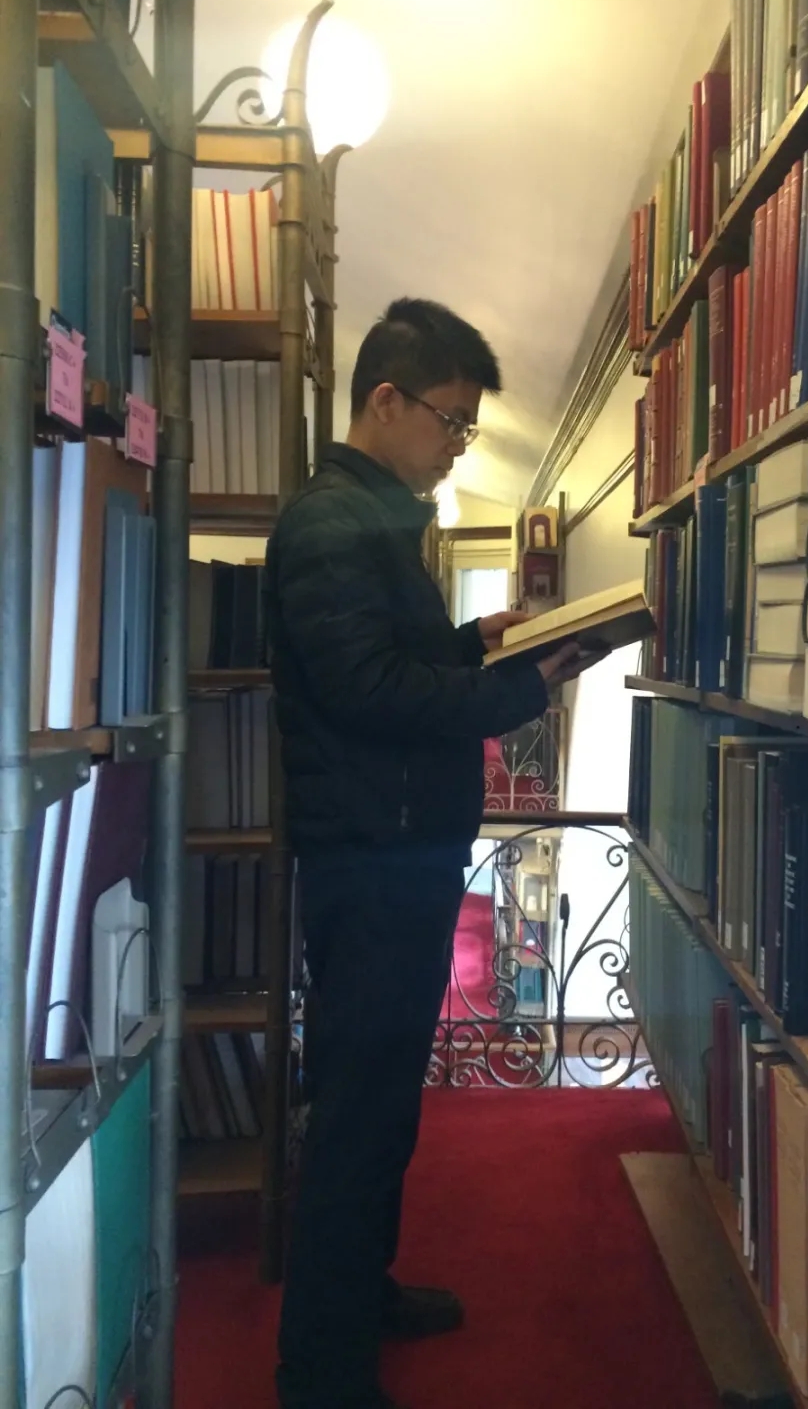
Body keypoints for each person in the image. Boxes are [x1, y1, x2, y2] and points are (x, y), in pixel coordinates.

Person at [265, 298, 595, 1409]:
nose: (457, 446)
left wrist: (473, 644)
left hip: (391, 850)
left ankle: (358, 1298)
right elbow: (367, 695)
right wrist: (516, 687)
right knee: (357, 1117)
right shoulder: (332, 527)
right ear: (386, 400)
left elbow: (385, 665)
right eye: (451, 421)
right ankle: (321, 1375)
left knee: (380, 1110)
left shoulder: (366, 521)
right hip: (370, 861)